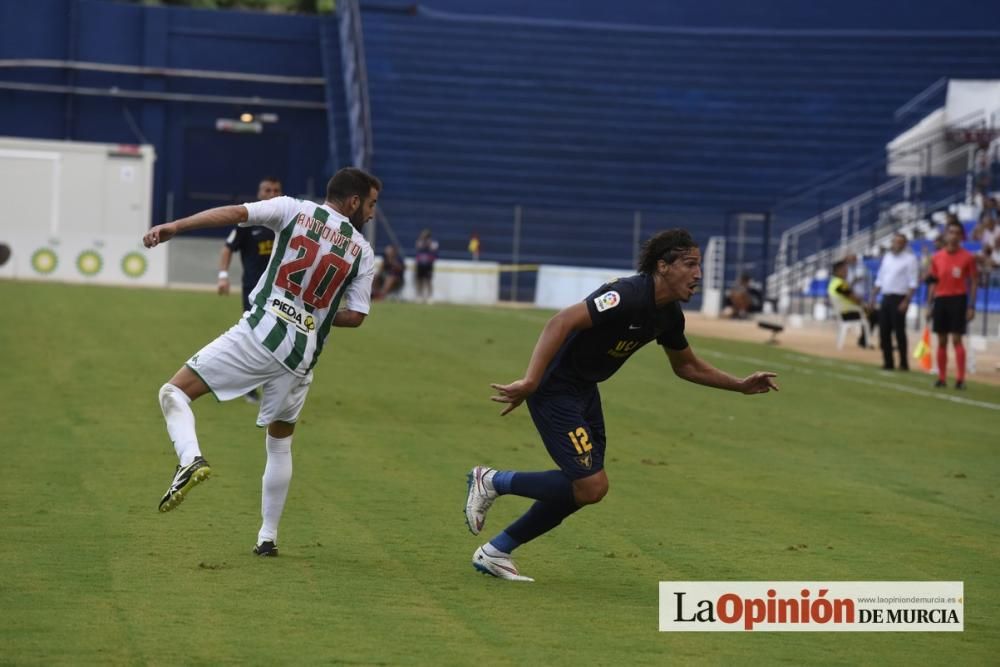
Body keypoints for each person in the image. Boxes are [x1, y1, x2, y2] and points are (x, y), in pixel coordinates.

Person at [463, 229, 779, 581]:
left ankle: (496, 551)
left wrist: (739, 385)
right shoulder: (625, 295)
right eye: (690, 264)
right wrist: (532, 381)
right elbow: (561, 321)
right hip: (555, 390)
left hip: (585, 392)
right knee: (591, 485)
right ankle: (491, 481)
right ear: (663, 266)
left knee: (585, 489)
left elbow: (686, 366)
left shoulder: (669, 315)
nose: (698, 275)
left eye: (698, 265)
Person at [142, 167, 381, 556]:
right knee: (280, 443)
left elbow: (235, 214)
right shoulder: (363, 251)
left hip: (260, 334)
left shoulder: (293, 210)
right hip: (302, 357)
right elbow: (356, 316)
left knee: (173, 392)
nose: (370, 213)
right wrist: (317, 311)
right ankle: (267, 537)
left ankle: (189, 459)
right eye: (370, 204)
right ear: (353, 202)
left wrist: (175, 226)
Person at [217, 176, 283, 403]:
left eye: (276, 190)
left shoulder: (287, 223)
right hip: (254, 291)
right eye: (267, 190)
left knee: (278, 339)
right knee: (257, 338)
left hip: (282, 293)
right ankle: (248, 385)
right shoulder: (248, 222)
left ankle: (268, 385)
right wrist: (223, 276)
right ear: (259, 193)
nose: (272, 194)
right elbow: (227, 248)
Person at [926, 220, 978, 389]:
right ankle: (941, 377)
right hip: (941, 299)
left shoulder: (968, 257)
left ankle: (960, 379)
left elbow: (974, 282)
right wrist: (929, 304)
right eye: (951, 232)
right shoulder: (936, 257)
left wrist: (971, 306)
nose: (954, 236)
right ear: (946, 234)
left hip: (958, 299)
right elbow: (933, 282)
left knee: (957, 339)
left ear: (962, 236)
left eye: (957, 233)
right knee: (941, 340)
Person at [871, 233, 919, 370]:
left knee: (899, 331)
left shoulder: (910, 259)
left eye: (900, 242)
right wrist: (874, 296)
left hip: (899, 297)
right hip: (886, 297)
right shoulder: (887, 257)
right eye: (895, 242)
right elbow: (880, 278)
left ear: (904, 244)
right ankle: (888, 362)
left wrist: (907, 301)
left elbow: (913, 282)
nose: (897, 245)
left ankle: (903, 362)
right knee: (884, 330)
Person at [828, 260, 873, 348]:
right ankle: (865, 341)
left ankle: (864, 340)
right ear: (838, 271)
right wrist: (865, 306)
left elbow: (847, 293)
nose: (846, 272)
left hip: (844, 312)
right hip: (849, 313)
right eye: (845, 270)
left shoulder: (834, 283)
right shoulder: (840, 284)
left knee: (873, 314)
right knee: (875, 314)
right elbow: (853, 298)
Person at [414, 228, 439, 303]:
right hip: (420, 263)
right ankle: (419, 295)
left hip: (428, 264)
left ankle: (430, 296)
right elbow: (418, 247)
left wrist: (428, 244)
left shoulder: (433, 242)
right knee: (419, 280)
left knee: (428, 280)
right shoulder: (419, 242)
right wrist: (423, 243)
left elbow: (434, 249)